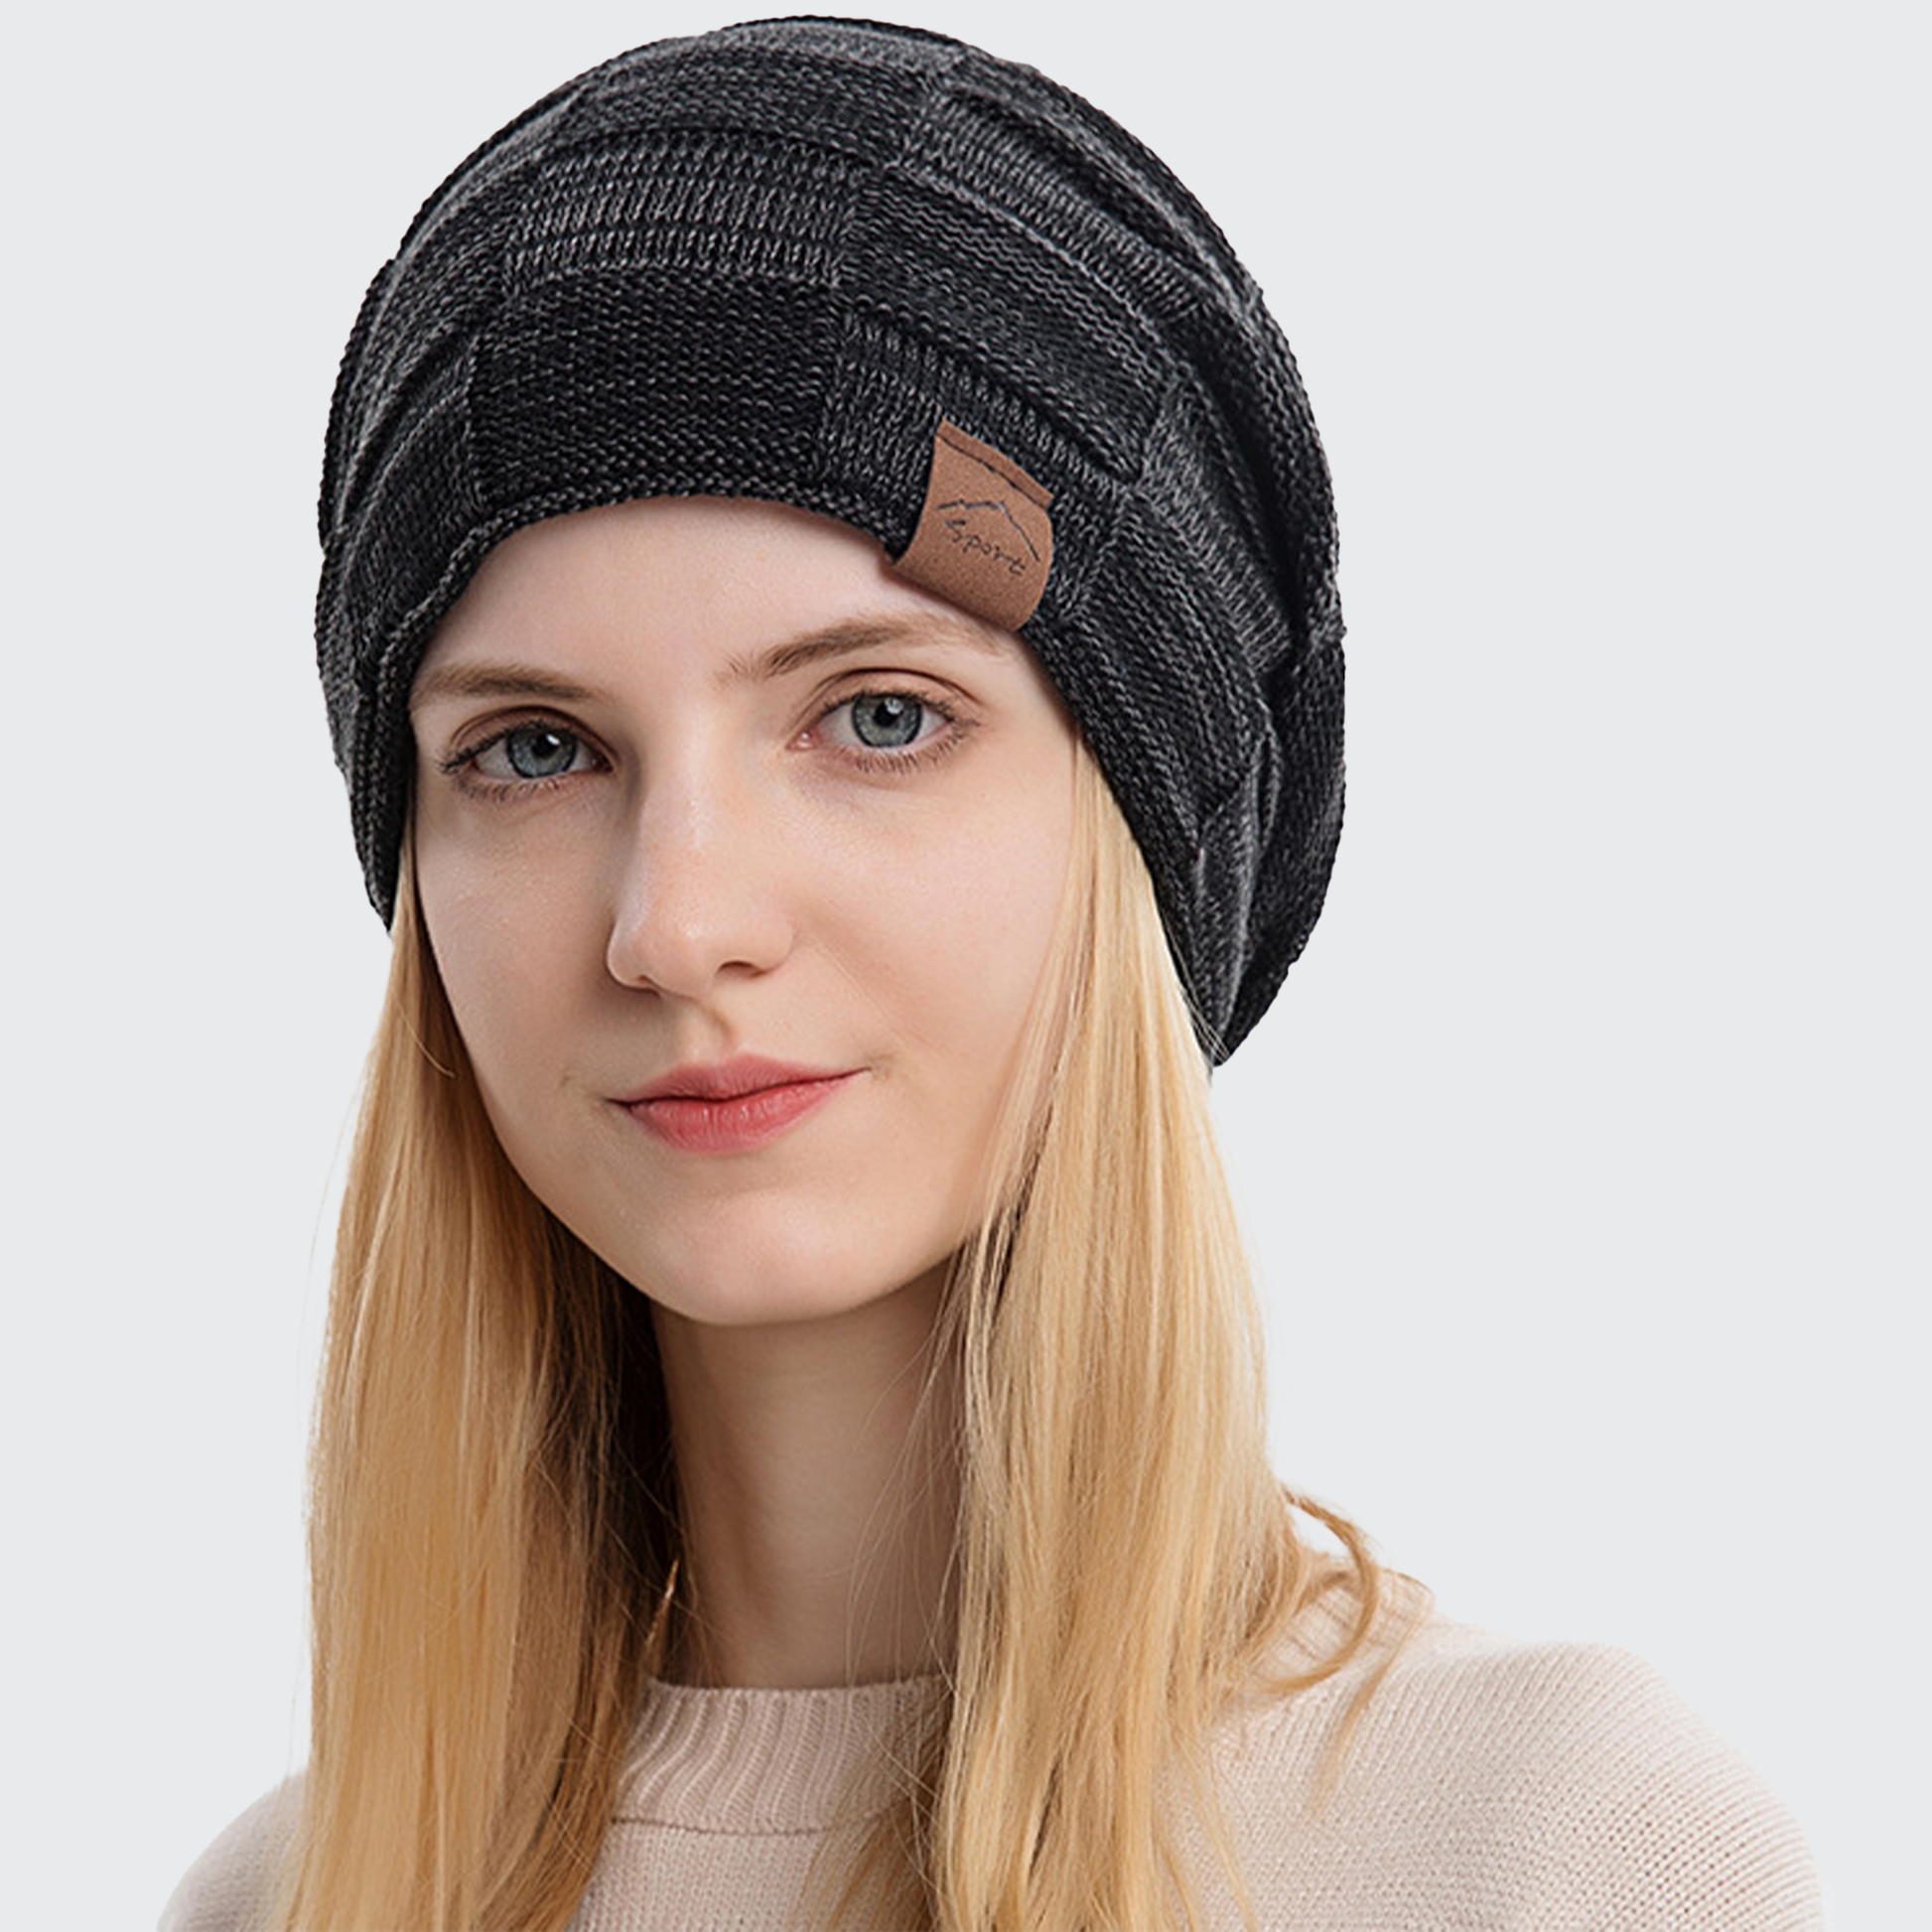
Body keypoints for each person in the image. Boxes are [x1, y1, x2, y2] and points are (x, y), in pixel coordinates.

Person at [161, 17, 1823, 1930]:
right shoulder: (289, 1895)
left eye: (878, 714)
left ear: (1140, 836)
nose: (675, 923)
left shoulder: (1554, 1848)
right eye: (533, 749)